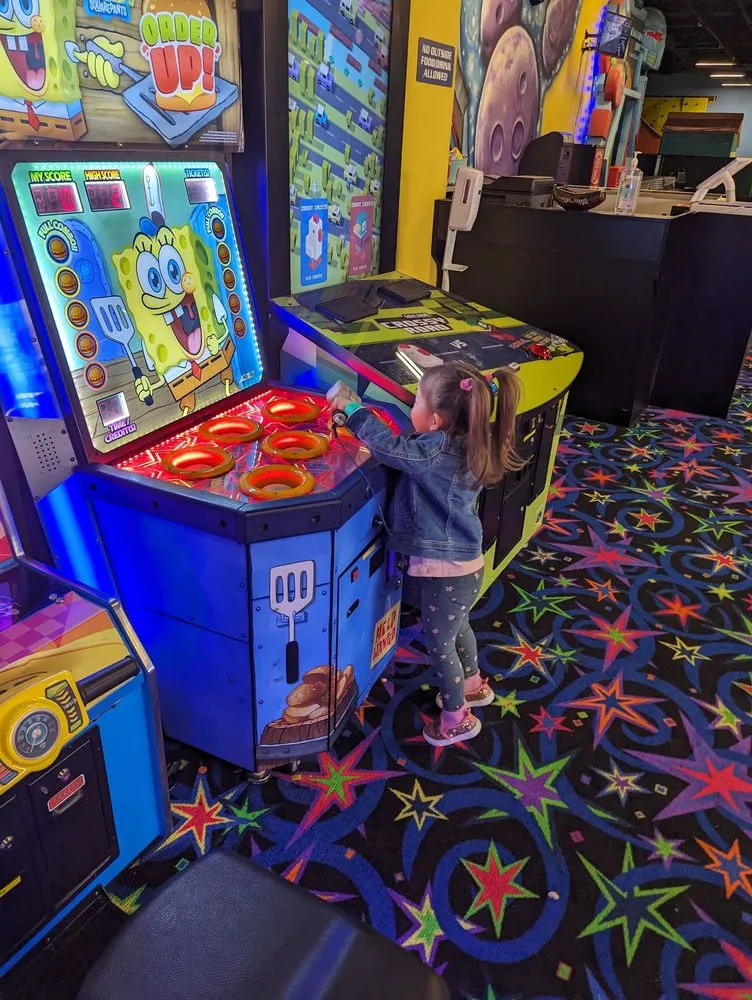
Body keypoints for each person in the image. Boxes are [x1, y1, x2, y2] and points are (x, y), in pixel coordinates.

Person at [331, 362, 523, 747]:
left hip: (447, 571)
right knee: (458, 628)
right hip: (465, 566)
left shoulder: (433, 452)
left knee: (439, 644)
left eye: (416, 399)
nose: (411, 404)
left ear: (435, 420)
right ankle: (472, 685)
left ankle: (455, 718)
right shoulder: (465, 441)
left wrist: (353, 411)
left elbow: (390, 448)